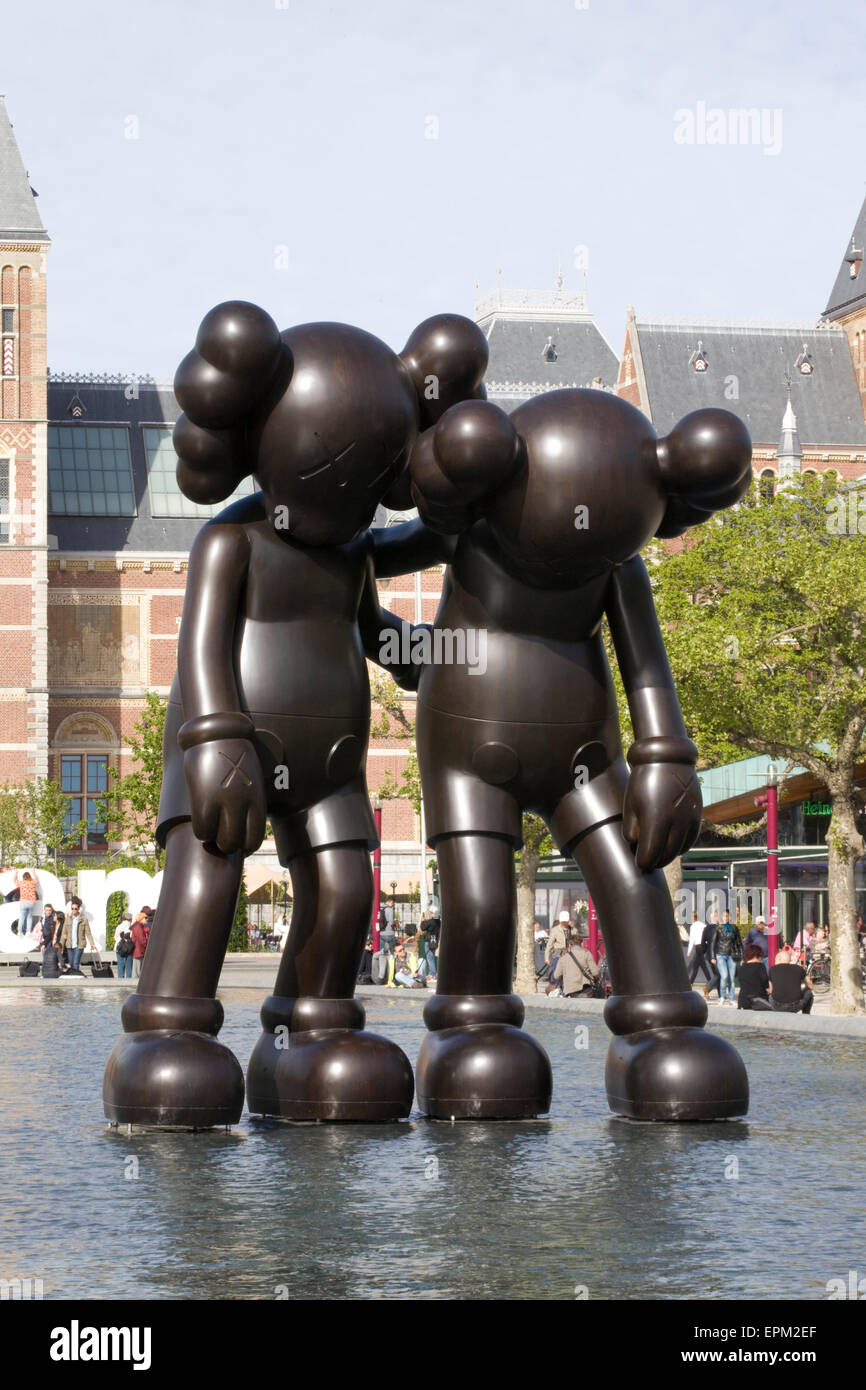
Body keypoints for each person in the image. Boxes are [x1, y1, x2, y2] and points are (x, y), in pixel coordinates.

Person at [552, 927, 601, 998]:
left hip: (570, 991)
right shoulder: (586, 953)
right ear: (581, 943)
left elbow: (556, 975)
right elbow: (595, 972)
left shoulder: (563, 957)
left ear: (570, 945)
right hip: (586, 989)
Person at [708, 911, 743, 1007]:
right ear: (721, 917)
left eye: (727, 916)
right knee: (724, 976)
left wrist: (742, 956)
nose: (725, 918)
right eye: (723, 916)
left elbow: (739, 942)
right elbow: (713, 943)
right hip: (721, 955)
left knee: (731, 978)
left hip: (731, 955)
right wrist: (712, 956)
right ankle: (722, 997)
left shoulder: (734, 928)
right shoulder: (718, 928)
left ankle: (731, 999)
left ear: (730, 917)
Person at [59, 897, 95, 975]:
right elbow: (63, 933)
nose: (74, 910)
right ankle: (73, 977)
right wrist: (61, 946)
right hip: (69, 944)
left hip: (79, 945)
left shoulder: (83, 919)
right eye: (72, 908)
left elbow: (88, 933)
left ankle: (76, 977)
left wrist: (92, 944)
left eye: (75, 908)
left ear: (78, 909)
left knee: (75, 963)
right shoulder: (68, 919)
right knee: (71, 963)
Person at [737, 944, 770, 1009]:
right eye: (761, 955)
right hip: (757, 1001)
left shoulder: (742, 967)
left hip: (742, 1001)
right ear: (756, 955)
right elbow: (765, 982)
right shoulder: (760, 966)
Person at [697, 916, 721, 999]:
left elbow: (703, 943)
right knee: (719, 974)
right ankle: (707, 988)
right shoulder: (720, 928)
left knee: (717, 975)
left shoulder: (706, 928)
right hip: (718, 954)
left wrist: (703, 953)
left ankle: (720, 994)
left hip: (709, 955)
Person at [13, 869, 39, 936]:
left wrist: (16, 872)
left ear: (23, 877)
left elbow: (15, 881)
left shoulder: (22, 883)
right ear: (30, 876)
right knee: (29, 917)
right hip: (31, 902)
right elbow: (37, 879)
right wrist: (33, 872)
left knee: (22, 917)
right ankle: (28, 932)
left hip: (23, 902)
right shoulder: (33, 882)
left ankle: (20, 932)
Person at [686, 911, 710, 984]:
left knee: (700, 965)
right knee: (699, 964)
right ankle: (691, 982)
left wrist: (689, 950)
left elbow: (692, 939)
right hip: (704, 946)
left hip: (698, 946)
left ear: (693, 918)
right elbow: (707, 936)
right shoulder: (703, 925)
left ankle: (710, 980)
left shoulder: (693, 926)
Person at [131, 909, 150, 978]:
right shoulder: (138, 927)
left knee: (137, 968)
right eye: (145, 918)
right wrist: (147, 944)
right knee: (137, 969)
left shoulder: (139, 926)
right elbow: (141, 939)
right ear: (141, 919)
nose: (146, 920)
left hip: (138, 950)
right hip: (138, 950)